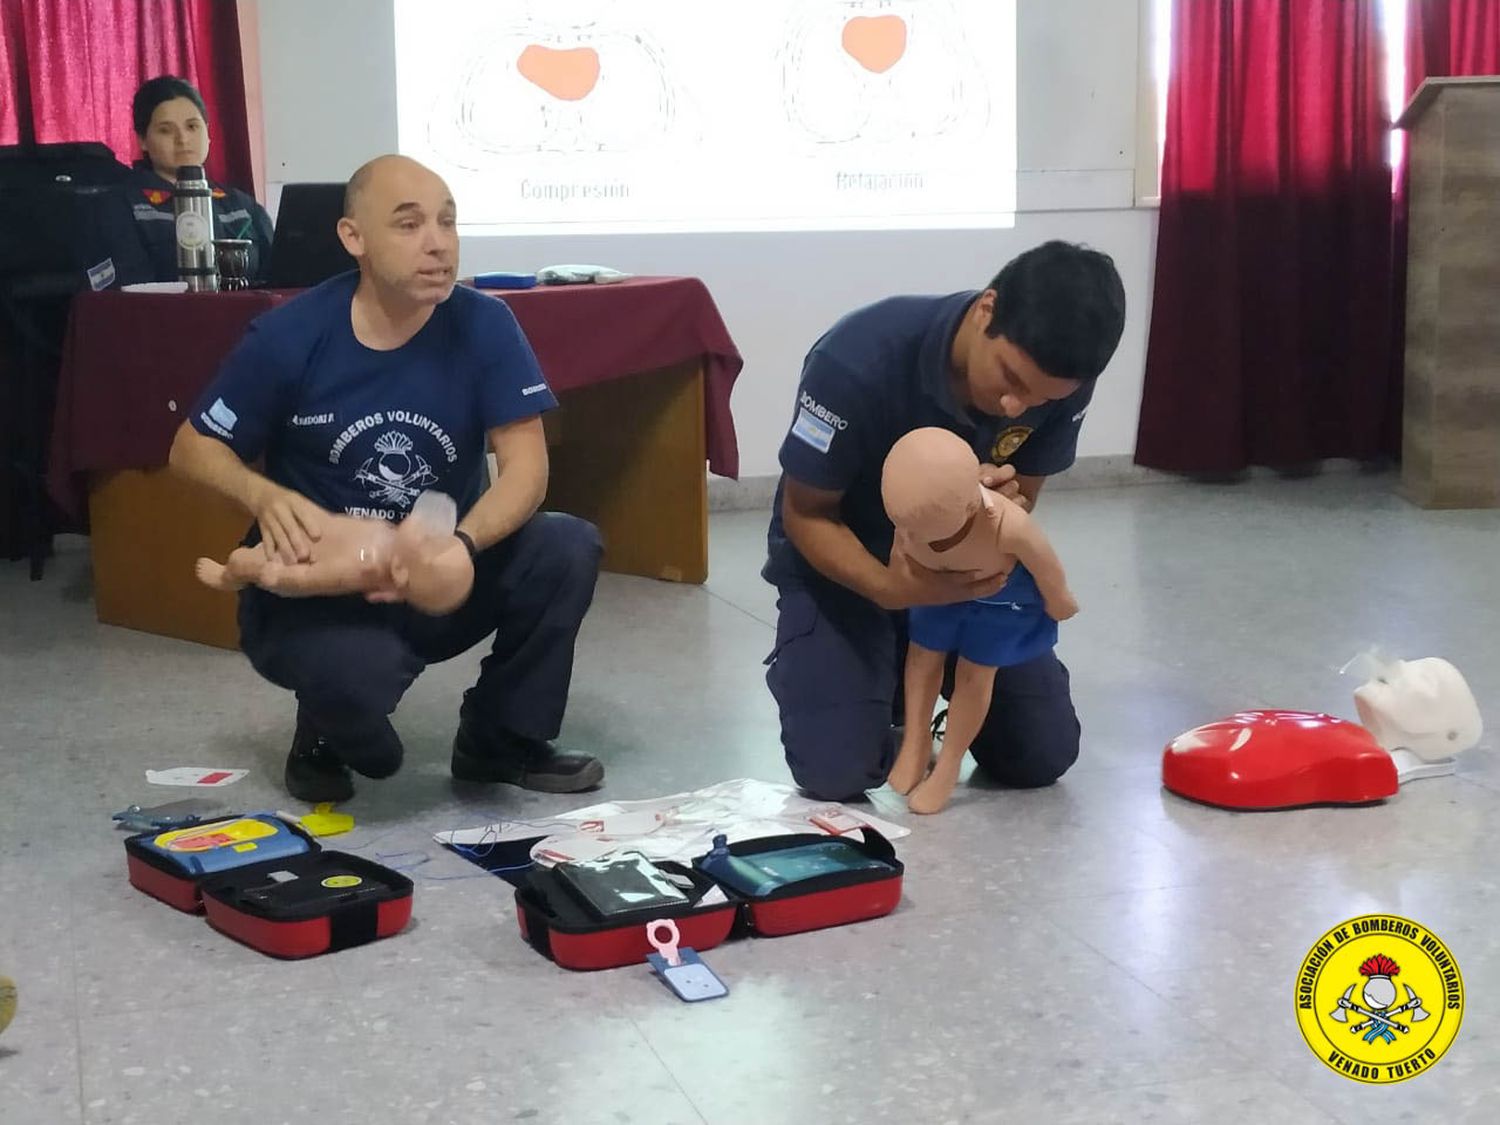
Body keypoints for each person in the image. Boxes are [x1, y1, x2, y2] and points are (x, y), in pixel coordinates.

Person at [168, 154, 604, 803]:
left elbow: (527, 468)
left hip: (436, 573)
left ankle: (499, 738)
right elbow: (191, 446)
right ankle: (321, 729)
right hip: (319, 586)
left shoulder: (485, 324)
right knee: (363, 714)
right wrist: (262, 493)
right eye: (408, 225)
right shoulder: (291, 334)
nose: (437, 243)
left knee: (567, 547)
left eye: (448, 223)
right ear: (354, 238)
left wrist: (460, 545)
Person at [762, 240, 1127, 801]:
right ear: (986, 310)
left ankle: (911, 687)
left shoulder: (1060, 377)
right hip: (848, 572)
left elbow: (1024, 496)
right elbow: (807, 514)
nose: (1015, 406)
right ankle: (871, 686)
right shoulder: (856, 359)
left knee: (1040, 756)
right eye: (1009, 377)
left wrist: (1001, 508)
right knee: (835, 771)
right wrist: (891, 588)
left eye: (1039, 398)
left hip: (965, 582)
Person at [124, 76, 274, 282]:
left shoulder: (242, 207)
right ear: (142, 140)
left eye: (192, 127)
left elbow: (278, 278)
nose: (183, 139)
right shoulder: (123, 206)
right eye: (165, 130)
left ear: (208, 132)